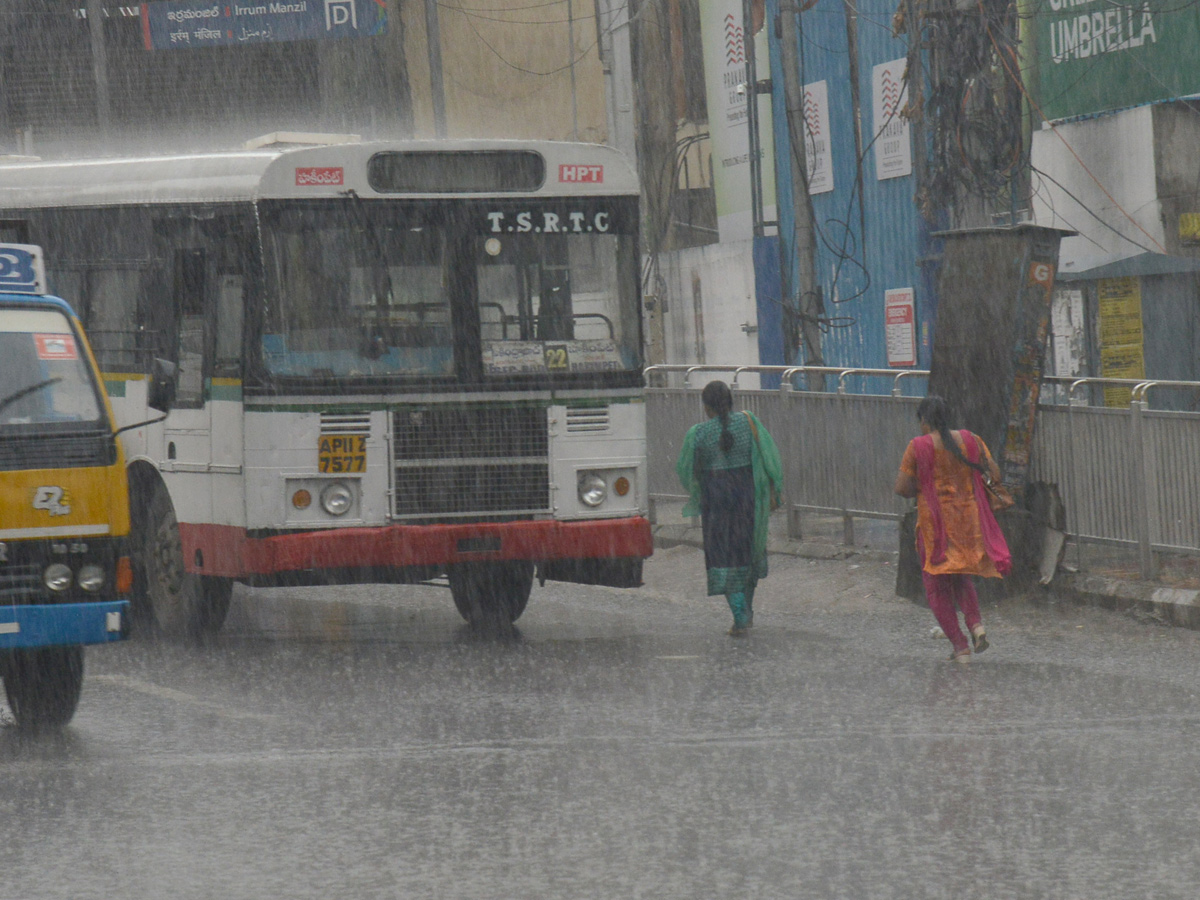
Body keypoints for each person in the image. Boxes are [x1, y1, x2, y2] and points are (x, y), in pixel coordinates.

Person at [894, 395, 1011, 663]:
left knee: (936, 586)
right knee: (961, 577)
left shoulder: (918, 446)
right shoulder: (971, 439)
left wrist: (924, 486)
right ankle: (977, 626)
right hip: (969, 522)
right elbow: (995, 474)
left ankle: (960, 647)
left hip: (935, 528)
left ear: (924, 420)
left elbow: (901, 487)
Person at [677, 380, 783, 636]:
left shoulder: (698, 434)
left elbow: (685, 470)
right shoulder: (749, 424)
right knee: (746, 554)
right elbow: (771, 458)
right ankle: (746, 609)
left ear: (706, 407)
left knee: (723, 559)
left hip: (716, 503)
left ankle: (739, 615)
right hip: (746, 498)